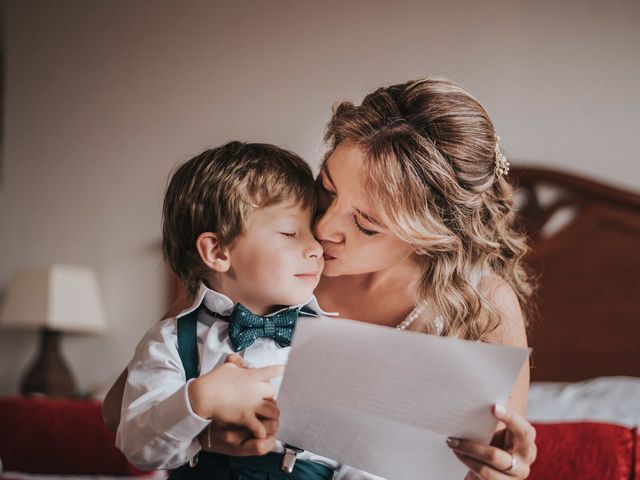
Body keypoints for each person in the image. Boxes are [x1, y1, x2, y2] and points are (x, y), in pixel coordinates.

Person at [106, 77, 538, 479]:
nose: (324, 228)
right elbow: (119, 412)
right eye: (327, 190)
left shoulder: (481, 307)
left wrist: (503, 474)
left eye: (366, 224)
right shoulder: (265, 272)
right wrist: (204, 436)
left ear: (428, 235)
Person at [116, 141, 348, 479]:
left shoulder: (335, 342)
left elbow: (362, 460)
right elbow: (137, 446)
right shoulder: (170, 340)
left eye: (311, 231)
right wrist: (198, 399)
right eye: (289, 233)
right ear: (217, 251)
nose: (315, 248)